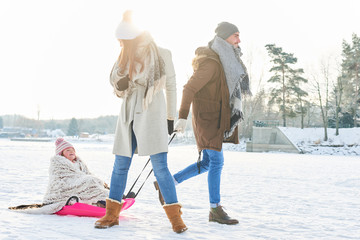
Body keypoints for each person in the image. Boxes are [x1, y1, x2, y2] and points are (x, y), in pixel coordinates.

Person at [94, 11, 187, 234]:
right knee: (120, 167)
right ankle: (111, 214)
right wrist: (121, 84)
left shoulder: (162, 54)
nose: (120, 44)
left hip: (152, 113)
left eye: (122, 40)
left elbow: (172, 86)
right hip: (128, 115)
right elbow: (114, 83)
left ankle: (175, 218)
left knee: (161, 168)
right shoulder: (124, 55)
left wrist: (171, 118)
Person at [156, 21, 251, 225]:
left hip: (216, 118)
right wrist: (181, 117)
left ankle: (168, 183)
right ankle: (215, 209)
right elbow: (189, 88)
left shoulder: (224, 60)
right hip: (209, 120)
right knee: (217, 162)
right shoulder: (211, 62)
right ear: (225, 37)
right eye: (236, 35)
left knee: (208, 163)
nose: (239, 40)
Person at [9, 137, 109, 214]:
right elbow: (61, 180)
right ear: (61, 154)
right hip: (63, 189)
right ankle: (87, 200)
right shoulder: (58, 164)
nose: (72, 152)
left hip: (80, 183)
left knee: (95, 181)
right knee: (90, 181)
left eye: (72, 149)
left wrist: (99, 181)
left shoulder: (79, 162)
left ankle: (105, 198)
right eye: (68, 150)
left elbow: (88, 174)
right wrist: (87, 179)